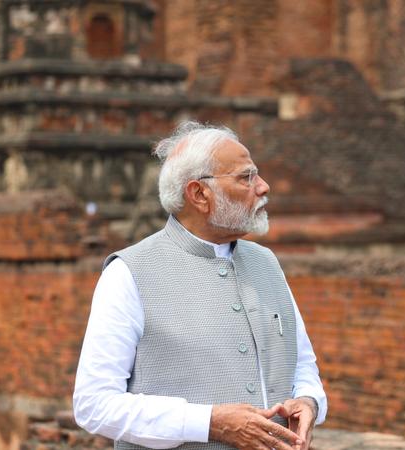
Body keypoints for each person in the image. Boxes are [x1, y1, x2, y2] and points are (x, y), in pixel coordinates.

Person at [73, 122, 327, 450]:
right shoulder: (129, 274)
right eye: (245, 177)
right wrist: (208, 423)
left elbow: (302, 363)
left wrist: (308, 401)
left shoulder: (267, 264)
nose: (263, 187)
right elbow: (93, 405)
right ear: (199, 195)